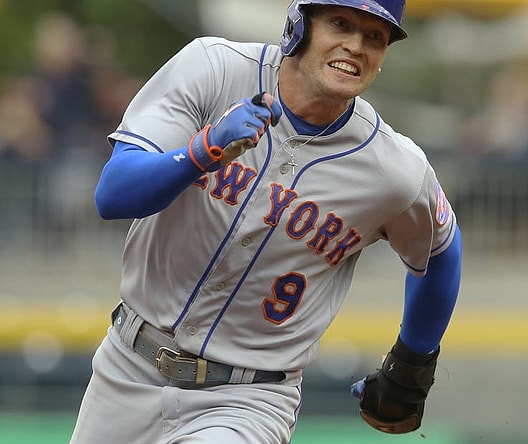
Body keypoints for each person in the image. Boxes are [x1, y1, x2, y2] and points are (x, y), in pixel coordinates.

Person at [69, 0, 462, 443]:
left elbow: (442, 251)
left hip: (248, 399)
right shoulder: (214, 70)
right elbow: (114, 194)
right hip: (126, 371)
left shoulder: (394, 169)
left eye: (375, 36)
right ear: (299, 25)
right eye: (340, 24)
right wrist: (202, 152)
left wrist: (412, 362)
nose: (355, 46)